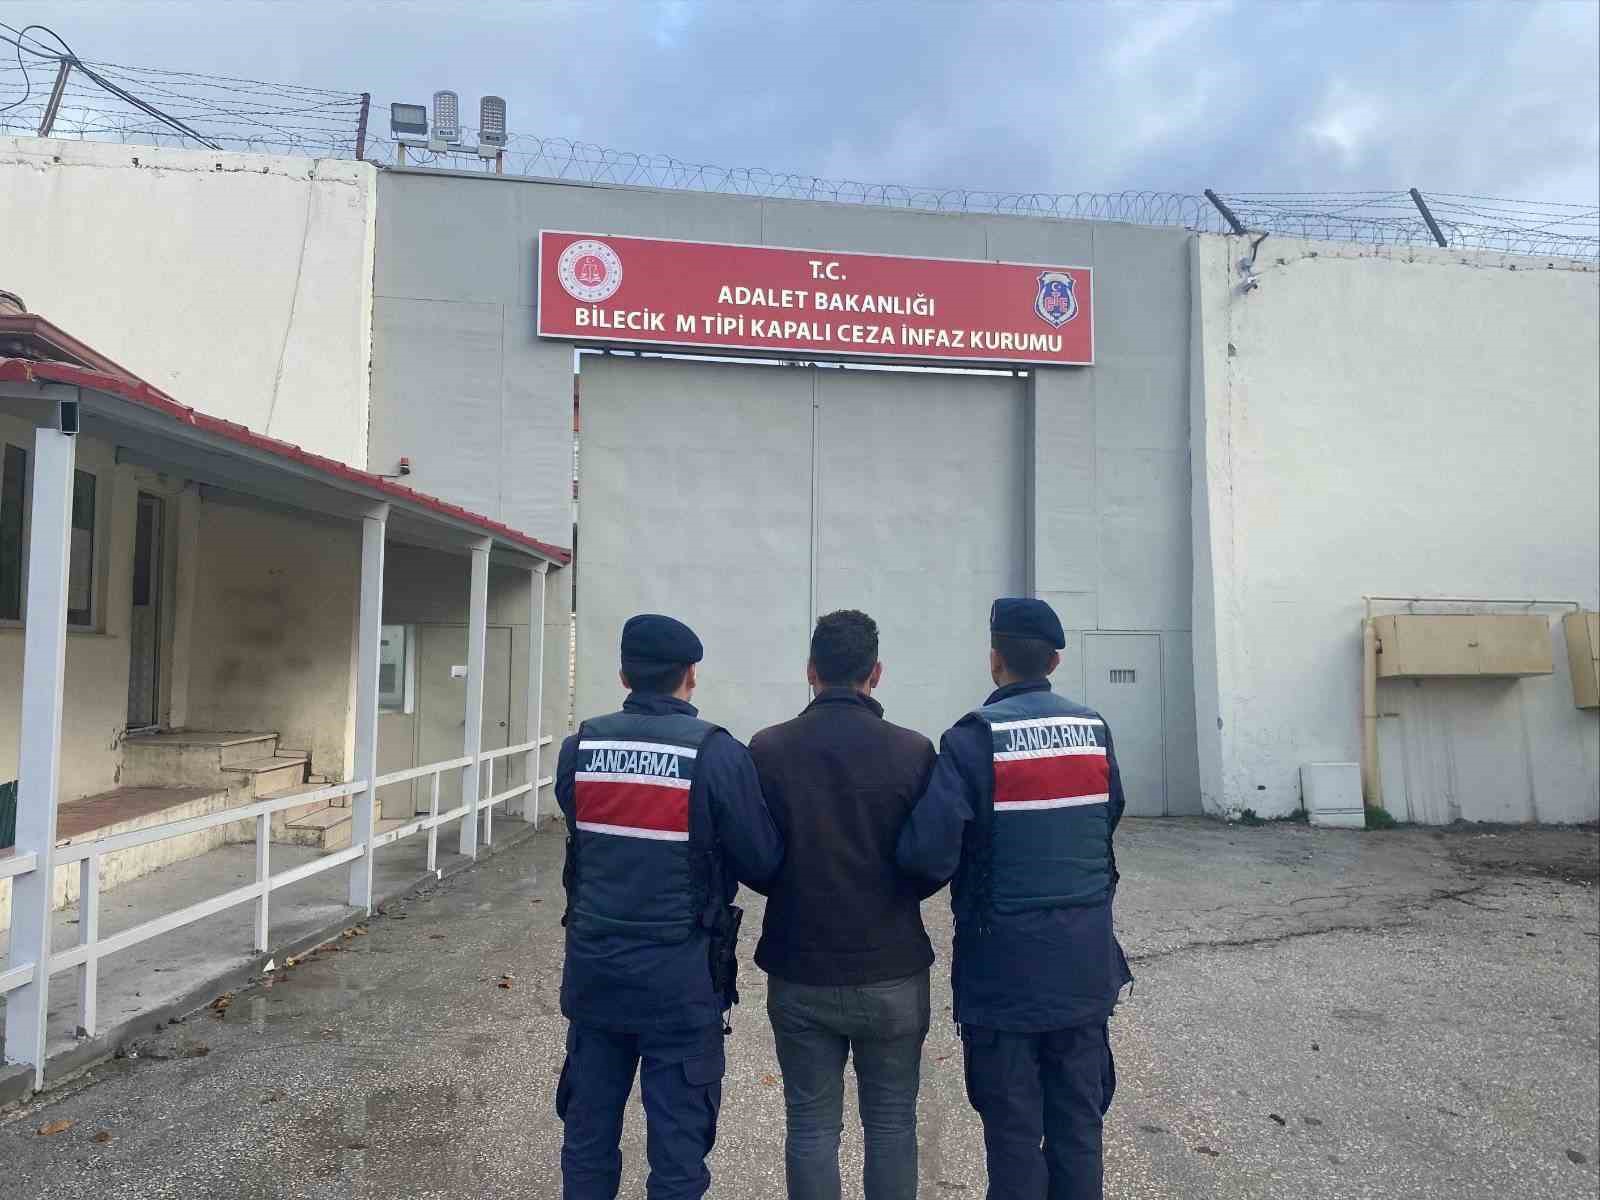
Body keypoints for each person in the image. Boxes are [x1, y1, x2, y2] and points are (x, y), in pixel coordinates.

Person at [896, 598, 1132, 1200]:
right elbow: (1107, 818)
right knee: (1080, 1125)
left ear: (994, 659)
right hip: (1083, 971)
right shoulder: (1093, 731)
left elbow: (927, 855)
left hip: (1003, 977)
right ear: (1054, 661)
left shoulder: (973, 739)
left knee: (1013, 1134)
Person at [555, 613, 783, 1200]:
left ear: (624, 675)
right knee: (678, 1157)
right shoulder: (716, 755)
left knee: (587, 1141)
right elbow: (762, 862)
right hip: (680, 983)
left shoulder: (581, 749)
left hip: (595, 976)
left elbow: (582, 832)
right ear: (690, 676)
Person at [748, 610, 939, 1200]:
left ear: (811, 670)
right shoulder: (913, 751)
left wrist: (792, 884)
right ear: (875, 673)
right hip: (892, 968)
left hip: (799, 966)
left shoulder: (768, 749)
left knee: (810, 1127)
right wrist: (896, 892)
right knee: (891, 1125)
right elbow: (933, 859)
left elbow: (755, 858)